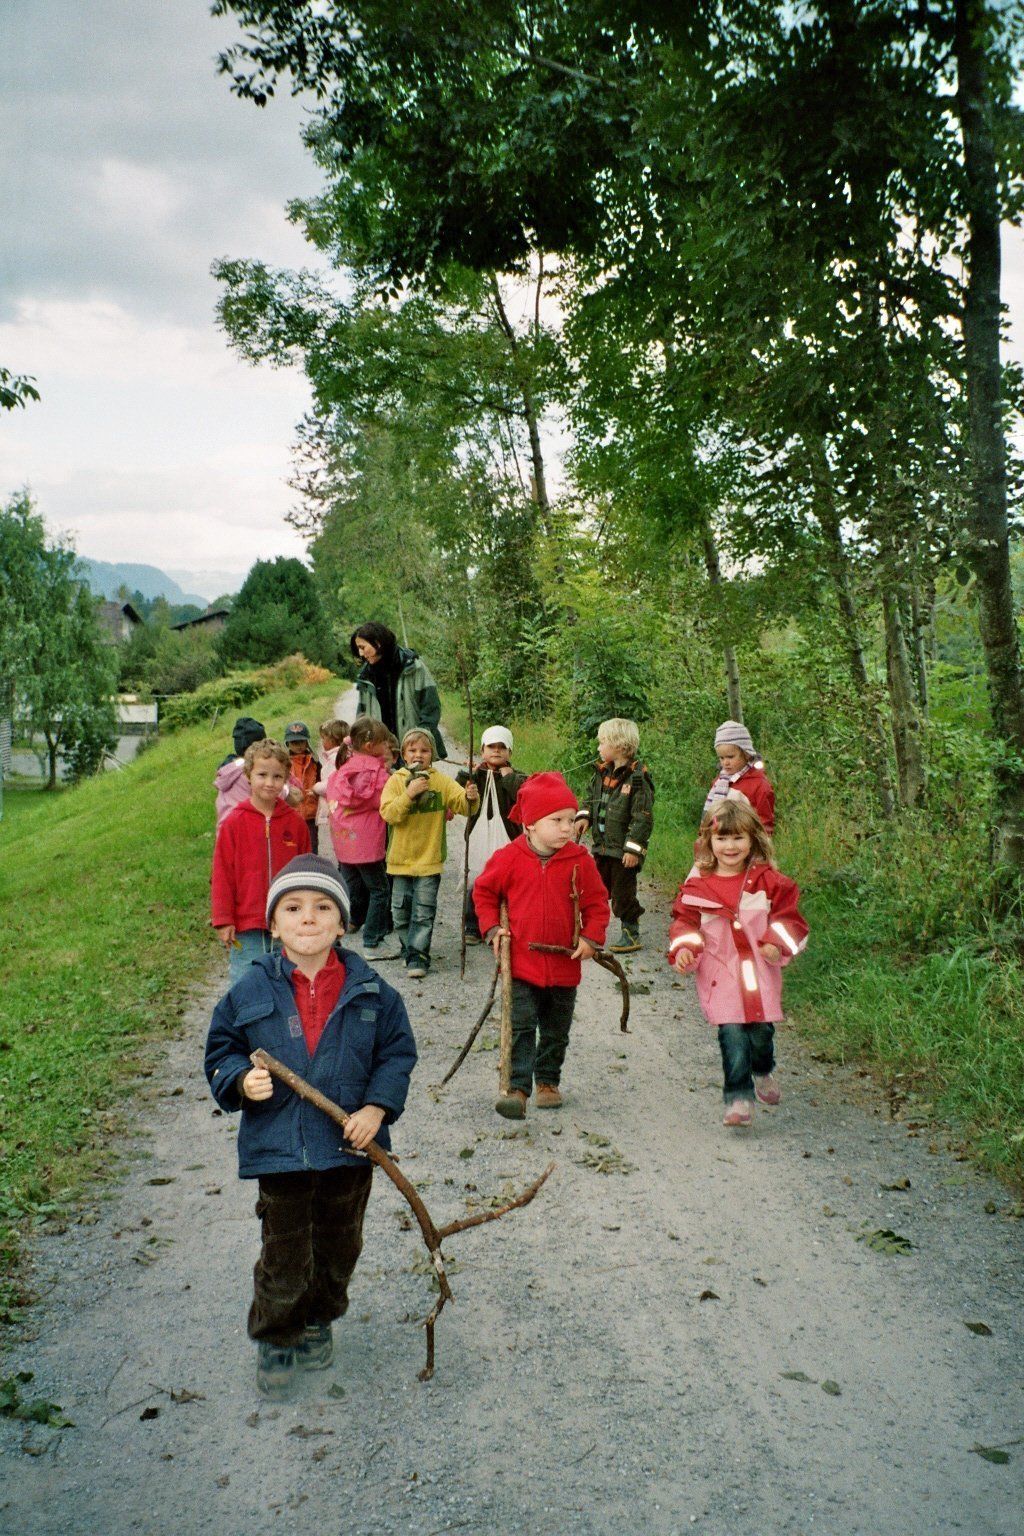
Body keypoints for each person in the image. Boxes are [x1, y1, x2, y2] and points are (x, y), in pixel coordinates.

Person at [205, 855, 417, 1400]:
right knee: (285, 1252)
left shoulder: (373, 991)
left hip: (349, 1150)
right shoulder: (250, 991)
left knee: (340, 1247)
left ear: (342, 924)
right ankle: (277, 1336)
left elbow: (397, 1055)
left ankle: (320, 1318)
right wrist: (239, 1079)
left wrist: (376, 1110)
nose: (308, 918)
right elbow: (222, 1049)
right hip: (281, 1152)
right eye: (293, 908)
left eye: (323, 908)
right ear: (273, 925)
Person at [473, 772, 610, 1119]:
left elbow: (597, 903)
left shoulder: (580, 860)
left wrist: (591, 937)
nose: (567, 828)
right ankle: (517, 1088)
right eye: (557, 820)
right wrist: (492, 929)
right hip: (522, 964)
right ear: (531, 824)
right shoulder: (509, 858)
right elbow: (484, 892)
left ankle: (548, 1081)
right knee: (521, 1026)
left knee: (555, 1030)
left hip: (564, 965)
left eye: (571, 820)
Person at [668, 799, 807, 1128]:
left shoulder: (770, 883)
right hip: (722, 975)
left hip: (759, 974)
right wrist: (685, 948)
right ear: (708, 841)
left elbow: (791, 920)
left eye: (738, 838)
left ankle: (763, 1070)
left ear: (752, 839)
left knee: (760, 1035)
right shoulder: (698, 888)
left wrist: (776, 943)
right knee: (731, 1034)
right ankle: (738, 1097)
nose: (730, 846)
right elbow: (684, 923)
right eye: (722, 838)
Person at [379, 728, 478, 979]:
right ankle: (408, 947)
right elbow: (389, 814)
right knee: (400, 912)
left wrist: (470, 797)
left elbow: (463, 806)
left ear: (432, 754)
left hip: (429, 860)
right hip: (400, 861)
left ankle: (418, 955)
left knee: (423, 912)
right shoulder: (396, 781)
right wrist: (409, 794)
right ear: (403, 754)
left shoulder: (441, 781)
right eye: (412, 750)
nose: (418, 755)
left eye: (424, 750)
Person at [211, 740, 312, 983]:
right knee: (247, 985)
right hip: (247, 927)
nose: (269, 783)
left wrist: (307, 913)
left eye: (277, 776)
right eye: (262, 775)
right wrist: (223, 920)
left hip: (288, 924)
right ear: (248, 775)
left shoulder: (296, 824)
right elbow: (222, 874)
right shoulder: (234, 823)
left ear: (286, 779)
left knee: (290, 983)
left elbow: (307, 874)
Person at [574, 718, 654, 954]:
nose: (599, 748)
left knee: (622, 894)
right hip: (602, 846)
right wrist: (584, 816)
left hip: (622, 852)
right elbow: (590, 798)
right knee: (595, 889)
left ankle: (630, 931)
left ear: (618, 745)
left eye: (602, 743)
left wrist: (633, 849)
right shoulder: (601, 773)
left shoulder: (637, 778)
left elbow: (642, 817)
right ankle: (589, 930)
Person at [325, 715, 395, 960]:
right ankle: (373, 941)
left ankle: (338, 930)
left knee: (349, 886)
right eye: (384, 742)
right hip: (367, 842)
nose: (387, 746)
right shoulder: (376, 772)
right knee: (380, 889)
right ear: (369, 745)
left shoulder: (344, 768)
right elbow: (386, 800)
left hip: (344, 840)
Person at [455, 725, 528, 943]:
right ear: (482, 750)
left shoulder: (517, 776)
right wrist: (466, 773)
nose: (496, 750)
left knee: (506, 882)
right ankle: (472, 925)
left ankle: (503, 925)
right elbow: (457, 791)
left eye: (502, 747)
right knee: (476, 880)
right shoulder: (477, 774)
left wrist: (509, 778)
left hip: (508, 838)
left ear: (510, 752)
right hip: (478, 837)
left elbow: (523, 796)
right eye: (491, 746)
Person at [350, 622, 446, 760]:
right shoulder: (366, 676)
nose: (360, 653)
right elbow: (362, 716)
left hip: (413, 751)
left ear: (378, 643)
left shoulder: (414, 666)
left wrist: (420, 737)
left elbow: (431, 707)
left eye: (362, 647)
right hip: (381, 753)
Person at [214, 716, 299, 828]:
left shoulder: (229, 768)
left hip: (225, 832)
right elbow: (290, 797)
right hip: (249, 831)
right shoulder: (253, 770)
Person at [703, 720, 775, 834]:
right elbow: (709, 815)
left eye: (730, 757)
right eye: (721, 758)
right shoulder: (719, 782)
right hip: (719, 840)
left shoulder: (759, 785)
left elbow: (764, 823)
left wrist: (761, 842)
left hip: (745, 840)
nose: (725, 762)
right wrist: (703, 838)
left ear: (746, 754)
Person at [313, 719, 349, 861]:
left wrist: (316, 787)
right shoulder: (341, 755)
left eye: (324, 738)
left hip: (335, 806)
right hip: (337, 806)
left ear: (333, 740)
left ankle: (343, 863)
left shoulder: (336, 759)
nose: (322, 742)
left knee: (340, 839)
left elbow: (331, 783)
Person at [284, 721, 321, 848]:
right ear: (287, 744)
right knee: (292, 845)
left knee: (311, 845)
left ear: (307, 742)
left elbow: (321, 781)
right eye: (294, 742)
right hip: (290, 813)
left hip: (311, 813)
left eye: (301, 741)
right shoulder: (283, 763)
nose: (298, 746)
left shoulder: (315, 762)